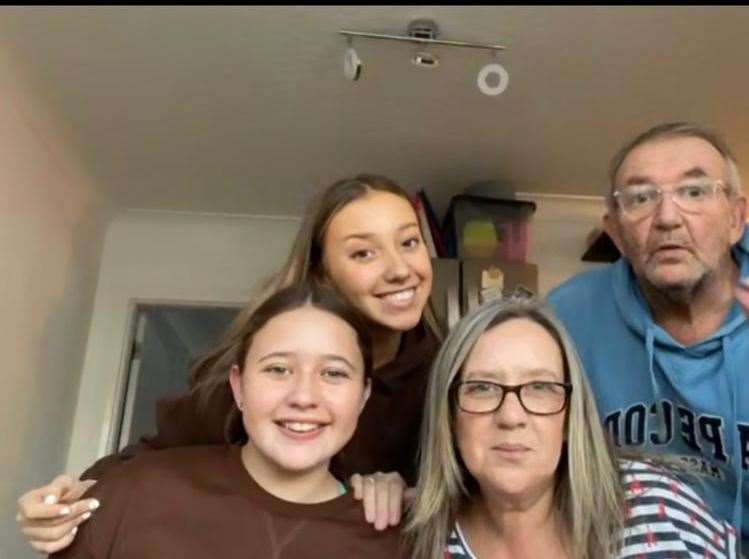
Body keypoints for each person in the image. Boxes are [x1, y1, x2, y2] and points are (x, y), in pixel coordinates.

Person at [17, 174, 440, 554]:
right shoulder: (226, 394)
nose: (400, 269)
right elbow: (139, 463)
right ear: (323, 275)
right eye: (364, 253)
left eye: (409, 242)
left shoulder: (451, 377)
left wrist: (413, 493)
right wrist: (60, 506)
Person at [47, 282, 406, 559]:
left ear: (362, 397)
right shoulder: (135, 491)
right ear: (239, 386)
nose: (303, 396)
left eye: (333, 373)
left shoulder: (397, 541)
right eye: (278, 369)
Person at [406, 296, 738, 558]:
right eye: (482, 387)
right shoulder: (423, 543)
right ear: (449, 416)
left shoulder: (656, 508)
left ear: (569, 418)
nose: (510, 417)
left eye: (540, 387)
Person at [547, 122, 749, 546]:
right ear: (616, 233)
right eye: (641, 198)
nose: (668, 218)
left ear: (736, 217)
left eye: (694, 192)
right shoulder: (566, 317)